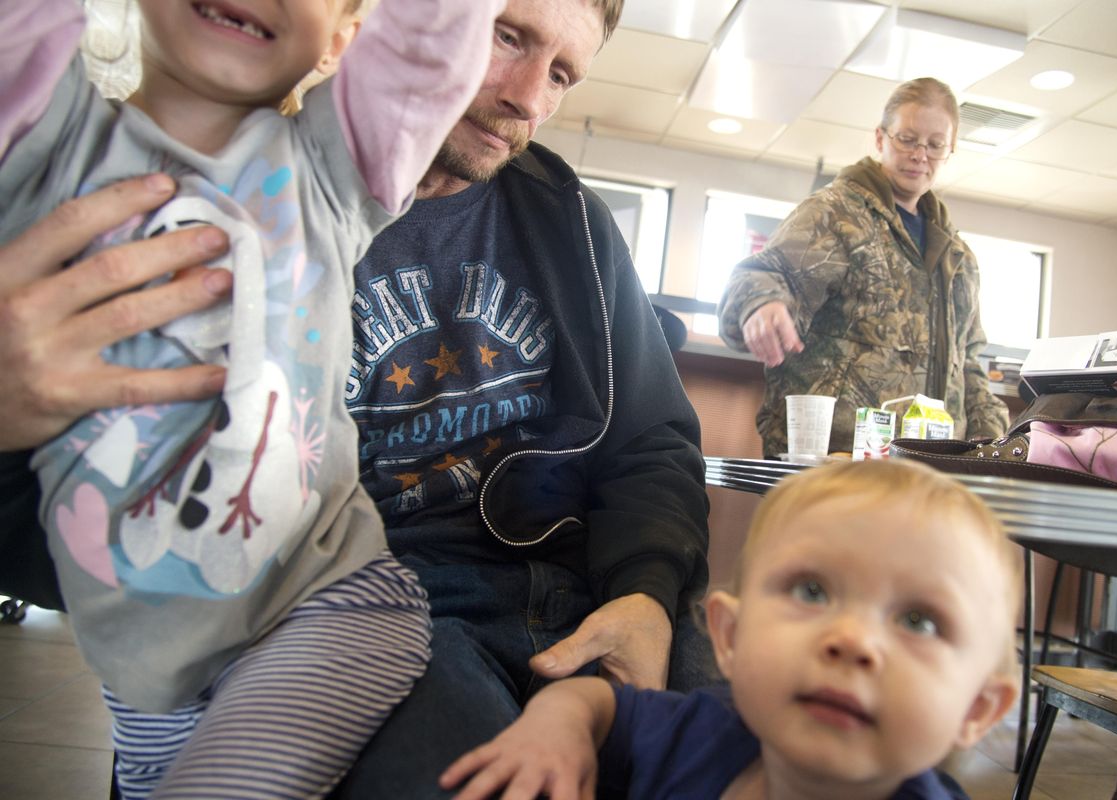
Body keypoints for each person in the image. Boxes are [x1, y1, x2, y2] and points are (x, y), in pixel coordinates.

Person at [0, 0, 714, 797]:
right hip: (366, 608)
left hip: (583, 586)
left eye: (562, 75)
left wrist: (647, 593)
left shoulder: (571, 220)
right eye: (507, 37)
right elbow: (99, 497)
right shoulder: (230, 197)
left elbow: (651, 441)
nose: (529, 99)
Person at [0, 1, 500, 797]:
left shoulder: (334, 171)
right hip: (138, 658)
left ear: (344, 37)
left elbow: (428, 49)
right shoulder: (49, 145)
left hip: (320, 607)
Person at [439, 459, 1022, 800]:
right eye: (812, 591)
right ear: (731, 637)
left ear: (977, 707)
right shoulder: (699, 733)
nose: (853, 640)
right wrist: (553, 728)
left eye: (919, 621)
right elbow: (594, 702)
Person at [717, 77, 1009, 458]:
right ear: (880, 138)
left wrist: (991, 446)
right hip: (831, 458)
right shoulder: (834, 214)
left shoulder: (958, 258)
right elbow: (759, 276)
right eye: (907, 139)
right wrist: (761, 304)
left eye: (935, 145)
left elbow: (968, 363)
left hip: (928, 467)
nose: (921, 154)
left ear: (949, 150)